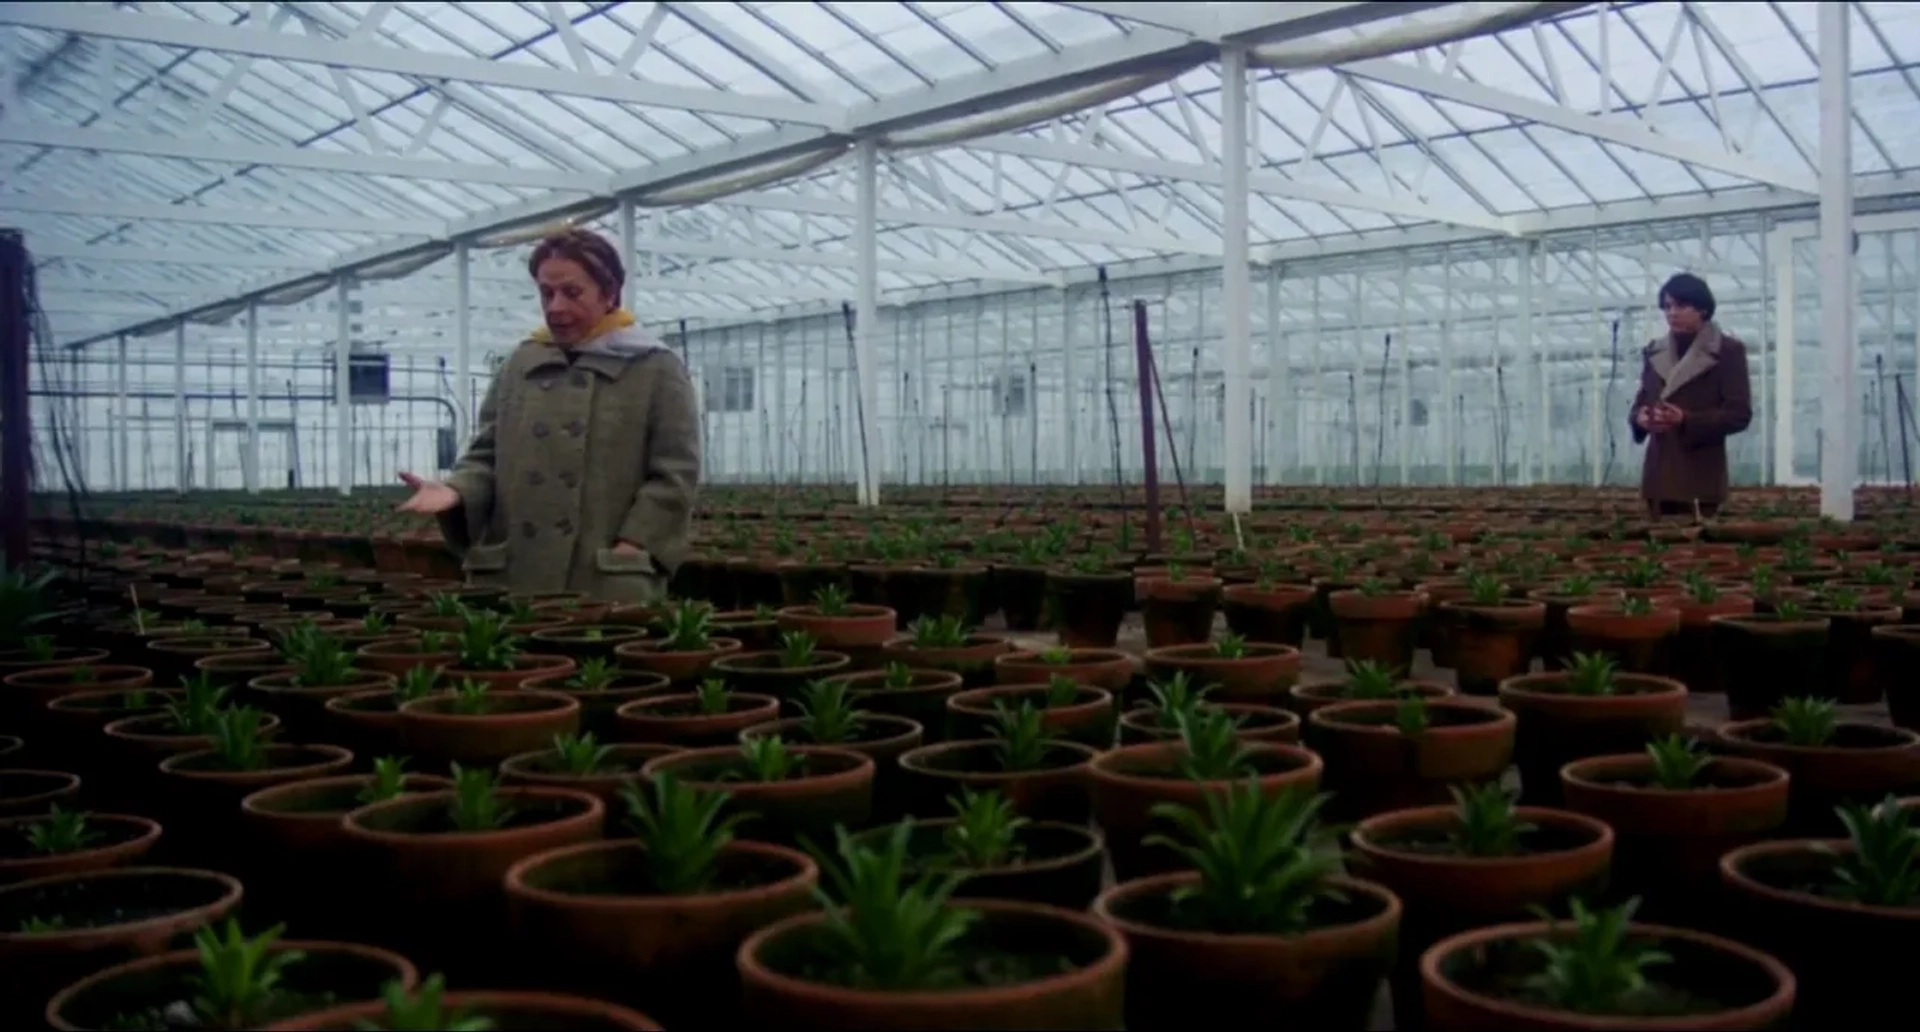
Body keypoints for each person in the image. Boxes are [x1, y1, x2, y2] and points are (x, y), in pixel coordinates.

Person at [396, 228, 700, 601]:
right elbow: (485, 456)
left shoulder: (655, 367)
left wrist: (634, 543)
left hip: (603, 576)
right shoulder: (521, 363)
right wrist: (455, 491)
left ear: (609, 294)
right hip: (514, 572)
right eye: (546, 292)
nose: (555, 306)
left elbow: (676, 472)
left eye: (572, 293)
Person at [1630, 272, 1751, 521]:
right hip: (1658, 475)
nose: (1672, 313)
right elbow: (1642, 401)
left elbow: (1739, 415)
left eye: (1681, 306)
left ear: (1703, 309)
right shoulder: (1654, 352)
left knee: (1696, 552)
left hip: (1700, 474)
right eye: (1667, 306)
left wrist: (1686, 419)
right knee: (1658, 550)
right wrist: (1640, 418)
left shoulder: (1727, 352)